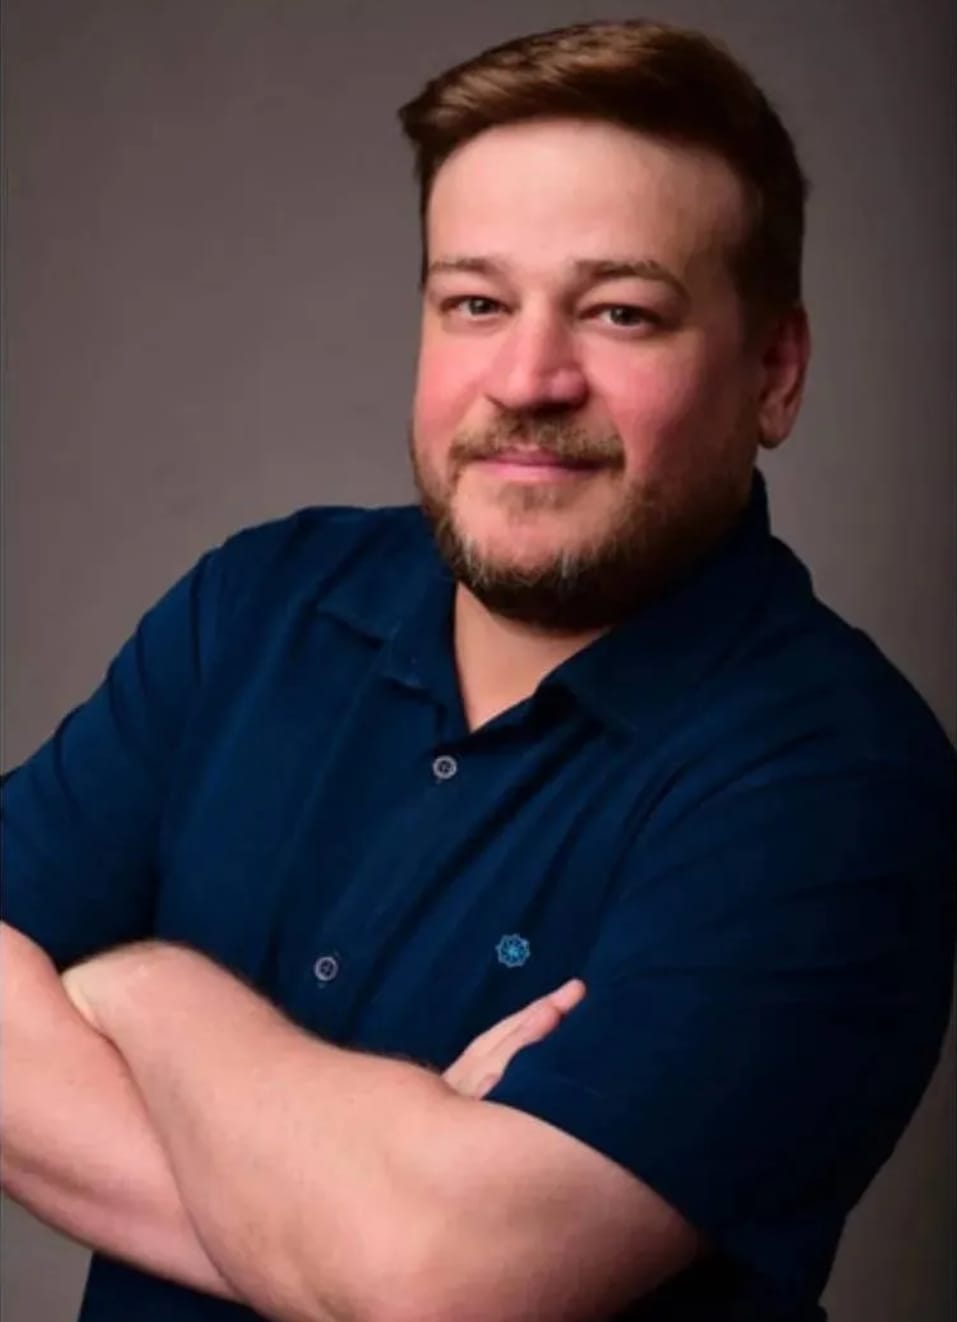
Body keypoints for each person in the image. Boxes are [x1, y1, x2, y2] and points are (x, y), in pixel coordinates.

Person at [2, 16, 954, 1322]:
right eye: (476, 303)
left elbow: (450, 1285)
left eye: (620, 312)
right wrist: (350, 1237)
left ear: (773, 375)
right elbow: (402, 1273)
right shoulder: (258, 605)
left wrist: (140, 987)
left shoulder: (836, 779)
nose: (528, 378)